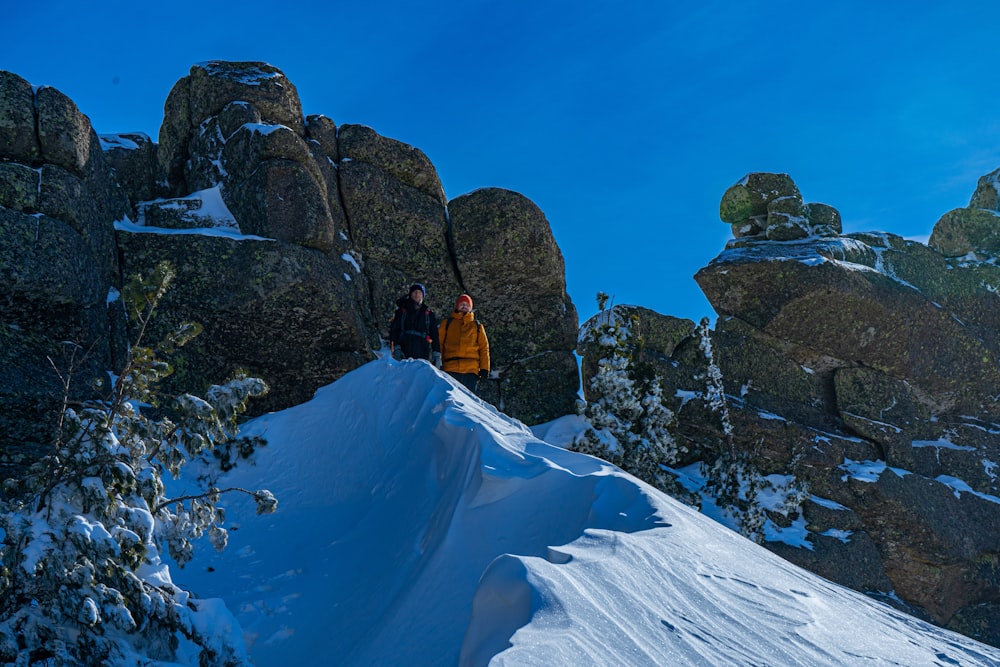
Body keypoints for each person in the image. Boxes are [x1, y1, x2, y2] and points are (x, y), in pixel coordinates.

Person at [437, 293, 490, 392]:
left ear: (471, 308)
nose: (464, 306)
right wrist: (437, 362)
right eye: (462, 304)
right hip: (450, 368)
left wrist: (484, 369)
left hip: (471, 372)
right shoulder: (447, 323)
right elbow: (439, 344)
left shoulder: (477, 326)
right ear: (457, 306)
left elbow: (484, 348)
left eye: (467, 304)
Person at [389, 283, 441, 366]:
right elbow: (395, 331)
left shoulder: (429, 314)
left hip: (423, 352)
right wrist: (396, 348)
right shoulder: (402, 312)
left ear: (423, 296)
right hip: (404, 351)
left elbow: (434, 334)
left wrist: (436, 354)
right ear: (410, 294)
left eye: (419, 292)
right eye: (414, 292)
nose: (417, 294)